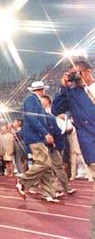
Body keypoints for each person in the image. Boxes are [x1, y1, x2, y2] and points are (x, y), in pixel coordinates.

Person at [51, 60, 95, 238]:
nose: (75, 77)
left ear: (88, 72)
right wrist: (64, 88)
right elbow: (56, 110)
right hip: (92, 146)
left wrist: (87, 87)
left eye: (78, 73)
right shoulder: (72, 92)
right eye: (72, 74)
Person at [15, 81, 59, 203]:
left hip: (39, 137)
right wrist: (45, 133)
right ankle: (22, 181)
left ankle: (48, 193)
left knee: (47, 166)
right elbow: (32, 118)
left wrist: (48, 135)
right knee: (44, 163)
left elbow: (44, 120)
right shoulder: (31, 100)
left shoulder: (35, 100)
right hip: (35, 137)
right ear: (42, 89)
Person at [40, 95, 75, 196]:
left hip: (58, 142)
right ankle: (60, 188)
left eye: (42, 101)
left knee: (56, 167)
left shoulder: (54, 113)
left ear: (47, 101)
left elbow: (68, 128)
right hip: (51, 143)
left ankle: (58, 188)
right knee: (54, 167)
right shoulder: (43, 114)